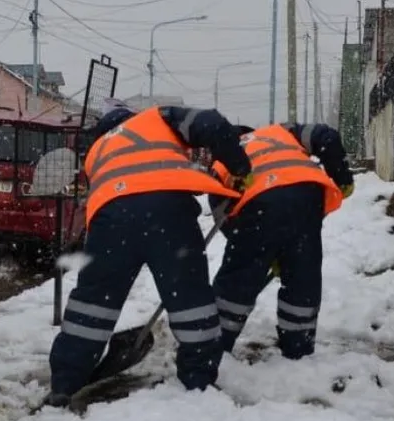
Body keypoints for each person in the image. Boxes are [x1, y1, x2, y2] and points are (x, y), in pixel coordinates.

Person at [46, 98, 253, 405]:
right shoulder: (159, 118)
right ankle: (198, 383)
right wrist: (239, 167)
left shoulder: (97, 151)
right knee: (190, 301)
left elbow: (131, 181)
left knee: (92, 304)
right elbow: (211, 123)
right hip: (168, 214)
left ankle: (64, 384)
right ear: (131, 117)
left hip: (110, 220)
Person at [208, 122, 354, 361]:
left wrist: (251, 247)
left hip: (260, 202)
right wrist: (342, 177)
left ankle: (214, 346)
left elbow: (220, 213)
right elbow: (327, 136)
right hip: (307, 194)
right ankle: (299, 347)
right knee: (302, 275)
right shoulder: (284, 133)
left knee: (237, 280)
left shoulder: (224, 154)